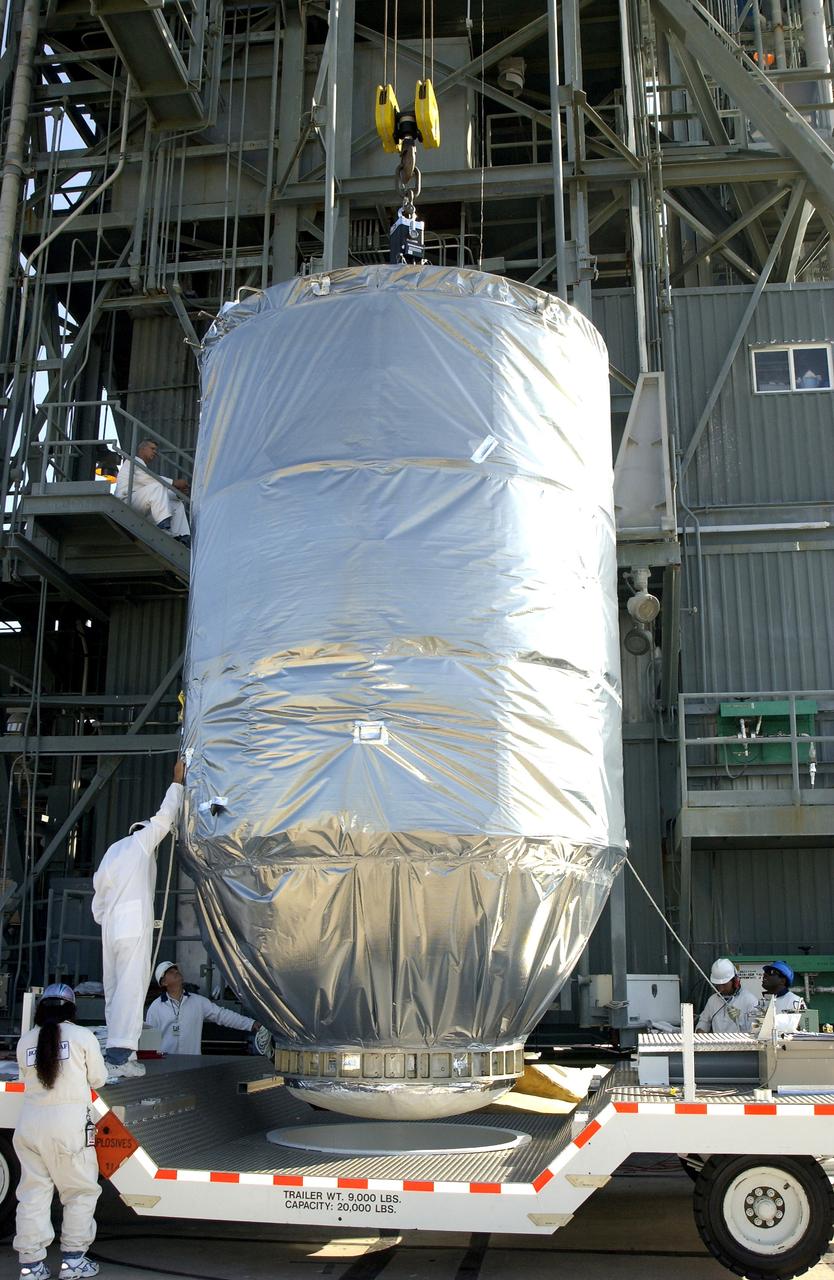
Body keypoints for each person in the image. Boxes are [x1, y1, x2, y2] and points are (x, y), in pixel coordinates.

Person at [91, 762, 185, 1078]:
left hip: (111, 928)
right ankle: (120, 1056)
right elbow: (164, 817)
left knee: (114, 988)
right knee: (131, 990)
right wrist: (177, 783)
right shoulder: (140, 843)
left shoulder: (111, 853)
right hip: (132, 927)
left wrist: (110, 919)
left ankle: (116, 1052)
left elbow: (98, 901)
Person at [13, 984, 107, 1280]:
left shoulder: (25, 1040)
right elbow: (99, 1079)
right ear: (72, 1009)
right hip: (68, 1127)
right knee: (79, 1191)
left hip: (29, 1126)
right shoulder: (83, 1037)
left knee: (33, 1195)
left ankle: (31, 1266)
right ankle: (73, 1261)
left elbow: (23, 1077)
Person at [145, 962, 260, 1055]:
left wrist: (251, 1024)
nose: (176, 972)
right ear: (163, 982)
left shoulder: (198, 1001)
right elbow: (149, 1043)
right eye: (170, 971)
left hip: (192, 1066)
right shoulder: (155, 1008)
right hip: (166, 1066)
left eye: (176, 970)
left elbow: (222, 1015)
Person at [113, 439, 191, 546]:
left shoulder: (143, 468)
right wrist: (174, 483)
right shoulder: (132, 461)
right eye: (152, 449)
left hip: (139, 503)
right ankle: (163, 526)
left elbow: (157, 492)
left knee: (176, 503)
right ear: (142, 449)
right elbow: (151, 480)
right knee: (158, 485)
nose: (155, 452)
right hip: (126, 502)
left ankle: (182, 537)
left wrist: (177, 494)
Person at [696, 958, 759, 1034]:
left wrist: (739, 1020)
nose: (721, 989)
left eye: (724, 984)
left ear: (735, 981)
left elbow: (755, 1032)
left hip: (741, 1045)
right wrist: (700, 1032)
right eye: (718, 985)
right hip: (717, 1044)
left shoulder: (750, 1000)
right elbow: (703, 1022)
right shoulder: (713, 1000)